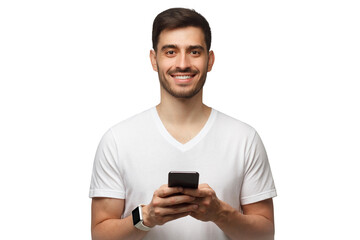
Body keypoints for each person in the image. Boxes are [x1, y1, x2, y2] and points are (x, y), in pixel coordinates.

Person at [89, 7, 277, 240]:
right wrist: (147, 217)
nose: (183, 63)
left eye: (194, 51)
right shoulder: (117, 140)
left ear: (210, 60)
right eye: (170, 51)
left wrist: (220, 213)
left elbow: (266, 235)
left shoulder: (244, 139)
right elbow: (100, 235)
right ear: (153, 60)